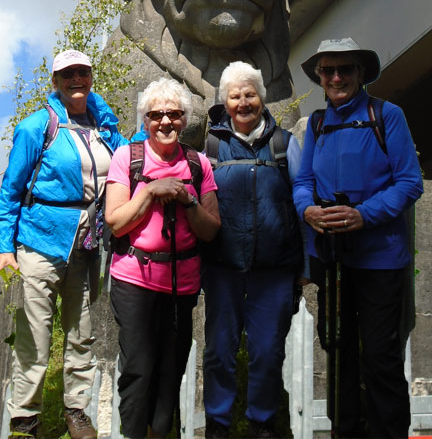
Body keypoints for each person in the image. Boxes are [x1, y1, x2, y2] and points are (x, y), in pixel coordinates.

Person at [293, 38, 424, 438]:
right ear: (319, 77)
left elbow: (409, 182)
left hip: (382, 260)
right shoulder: (317, 123)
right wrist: (308, 210)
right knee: (339, 353)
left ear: (361, 73)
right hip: (334, 260)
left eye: (345, 70)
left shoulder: (388, 115)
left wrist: (362, 215)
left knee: (382, 359)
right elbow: (303, 182)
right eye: (328, 71)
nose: (336, 77)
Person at [0, 49, 128, 439]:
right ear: (55, 81)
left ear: (91, 78)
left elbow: (132, 153)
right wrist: (5, 248)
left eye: (83, 72)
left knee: (82, 330)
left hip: (88, 245)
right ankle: (25, 418)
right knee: (35, 334)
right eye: (68, 74)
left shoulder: (104, 128)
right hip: (40, 242)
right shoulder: (35, 127)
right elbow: (10, 191)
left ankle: (77, 410)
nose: (77, 79)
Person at [105, 77, 220, 439]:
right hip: (134, 279)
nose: (165, 122)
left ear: (184, 119)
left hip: (181, 282)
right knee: (139, 367)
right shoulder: (128, 157)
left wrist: (187, 200)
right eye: (156, 115)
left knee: (171, 369)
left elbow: (211, 230)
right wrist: (151, 191)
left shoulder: (199, 164)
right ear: (146, 120)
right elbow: (116, 222)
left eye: (174, 114)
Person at [201, 61, 306, 439]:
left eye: (250, 94)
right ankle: (218, 424)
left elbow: (302, 200)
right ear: (224, 103)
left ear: (261, 98)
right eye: (235, 96)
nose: (243, 102)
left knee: (267, 353)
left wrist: (305, 264)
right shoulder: (212, 145)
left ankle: (263, 424)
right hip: (223, 268)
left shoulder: (283, 144)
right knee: (218, 353)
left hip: (274, 269)